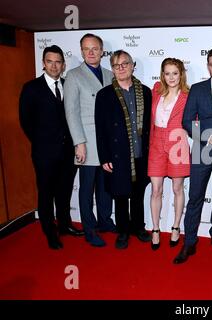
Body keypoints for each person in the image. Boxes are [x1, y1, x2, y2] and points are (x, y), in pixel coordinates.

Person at [174, 47, 212, 264]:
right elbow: (187, 121)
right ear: (207, 66)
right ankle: (189, 242)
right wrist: (209, 137)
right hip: (202, 151)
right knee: (195, 198)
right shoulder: (198, 89)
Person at [19, 45, 84, 249]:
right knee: (46, 192)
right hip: (44, 153)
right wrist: (42, 142)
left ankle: (65, 225)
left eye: (58, 62)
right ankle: (49, 230)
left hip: (68, 152)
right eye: (50, 61)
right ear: (43, 63)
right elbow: (25, 121)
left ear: (63, 65)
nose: (54, 65)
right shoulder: (31, 88)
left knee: (64, 191)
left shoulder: (69, 85)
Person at [95, 50, 152, 249]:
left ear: (132, 65)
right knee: (120, 195)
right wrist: (104, 157)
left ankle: (138, 227)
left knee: (138, 194)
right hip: (118, 156)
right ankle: (123, 232)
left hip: (140, 154)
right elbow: (100, 129)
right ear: (112, 69)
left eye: (125, 63)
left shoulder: (145, 91)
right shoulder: (104, 95)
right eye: (117, 65)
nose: (121, 68)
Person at [64, 33, 115, 247]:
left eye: (95, 48)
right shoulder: (74, 75)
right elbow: (71, 112)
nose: (91, 52)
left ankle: (105, 220)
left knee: (106, 186)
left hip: (107, 141)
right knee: (86, 189)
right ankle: (89, 229)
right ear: (82, 51)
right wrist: (79, 142)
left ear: (102, 51)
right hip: (87, 142)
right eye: (86, 48)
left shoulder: (110, 74)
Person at [148, 58, 190, 250]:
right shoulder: (156, 89)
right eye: (167, 73)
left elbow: (195, 119)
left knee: (177, 188)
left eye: (175, 73)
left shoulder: (188, 95)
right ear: (162, 75)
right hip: (156, 142)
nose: (171, 77)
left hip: (178, 143)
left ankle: (175, 227)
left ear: (181, 74)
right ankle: (155, 229)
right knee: (156, 190)